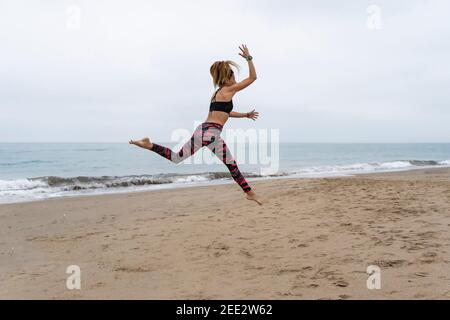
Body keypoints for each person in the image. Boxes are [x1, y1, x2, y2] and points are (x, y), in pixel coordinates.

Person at [130, 44, 262, 205]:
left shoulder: (217, 94)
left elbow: (224, 113)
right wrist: (249, 58)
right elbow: (253, 78)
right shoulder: (230, 89)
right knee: (231, 165)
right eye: (233, 76)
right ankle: (249, 192)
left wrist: (245, 115)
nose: (235, 79)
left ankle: (150, 145)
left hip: (203, 130)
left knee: (177, 158)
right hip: (212, 133)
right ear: (226, 78)